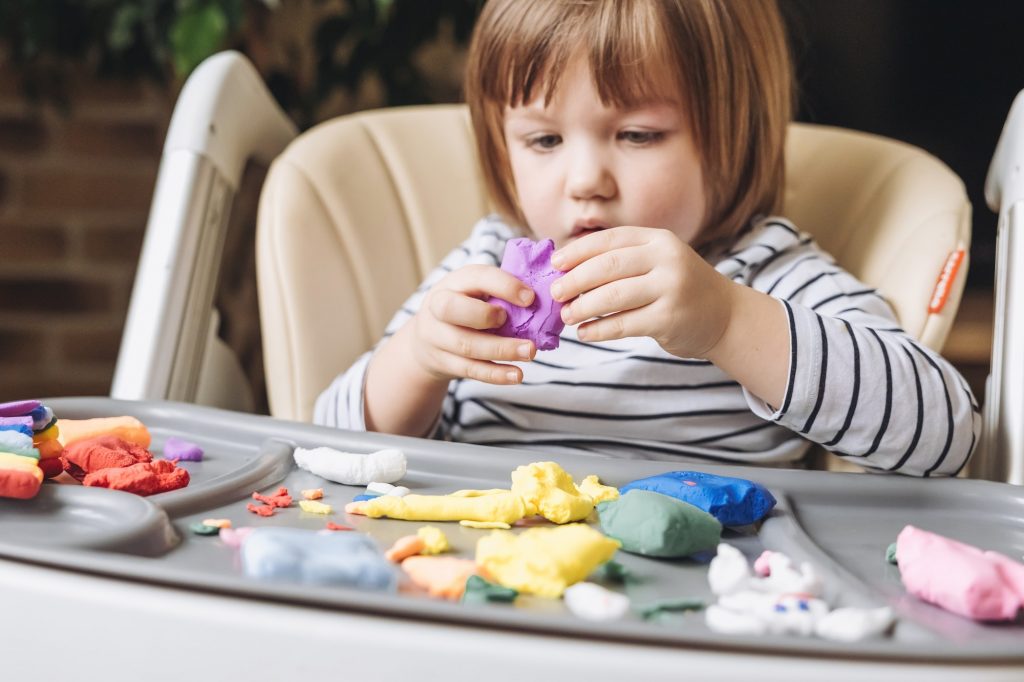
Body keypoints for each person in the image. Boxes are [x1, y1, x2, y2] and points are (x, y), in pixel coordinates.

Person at [315, 0, 979, 477]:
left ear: (733, 137)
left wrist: (726, 321)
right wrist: (420, 358)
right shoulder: (486, 269)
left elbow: (945, 436)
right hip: (483, 572)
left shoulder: (768, 274)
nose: (585, 181)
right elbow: (328, 450)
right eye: (543, 140)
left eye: (637, 135)